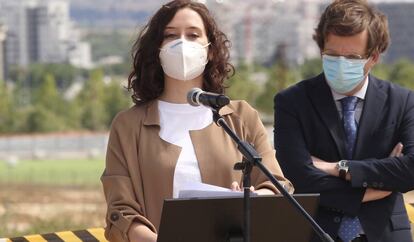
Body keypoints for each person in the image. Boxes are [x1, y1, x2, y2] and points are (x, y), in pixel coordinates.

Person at [101, 1, 293, 241]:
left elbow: (276, 185)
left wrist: (251, 198)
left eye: (193, 35)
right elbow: (120, 210)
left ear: (210, 49)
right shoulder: (128, 125)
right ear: (158, 48)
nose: (182, 44)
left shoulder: (241, 117)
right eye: (171, 35)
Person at [274, 0, 414, 241]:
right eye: (332, 55)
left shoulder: (402, 101)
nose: (340, 64)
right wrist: (373, 189)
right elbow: (297, 176)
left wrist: (338, 168)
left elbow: (411, 170)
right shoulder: (292, 101)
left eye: (351, 57)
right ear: (321, 49)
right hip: (316, 232)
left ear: (374, 57)